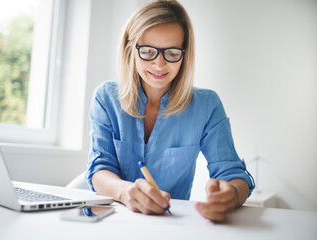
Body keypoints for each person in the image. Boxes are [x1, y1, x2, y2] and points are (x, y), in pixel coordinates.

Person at [86, 0, 254, 222]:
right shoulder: (106, 98)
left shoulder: (207, 105)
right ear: (130, 49)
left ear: (185, 55)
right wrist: (125, 192)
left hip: (169, 226)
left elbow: (233, 175)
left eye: (172, 53)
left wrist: (230, 195)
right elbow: (99, 169)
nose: (159, 65)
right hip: (110, 220)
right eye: (147, 51)